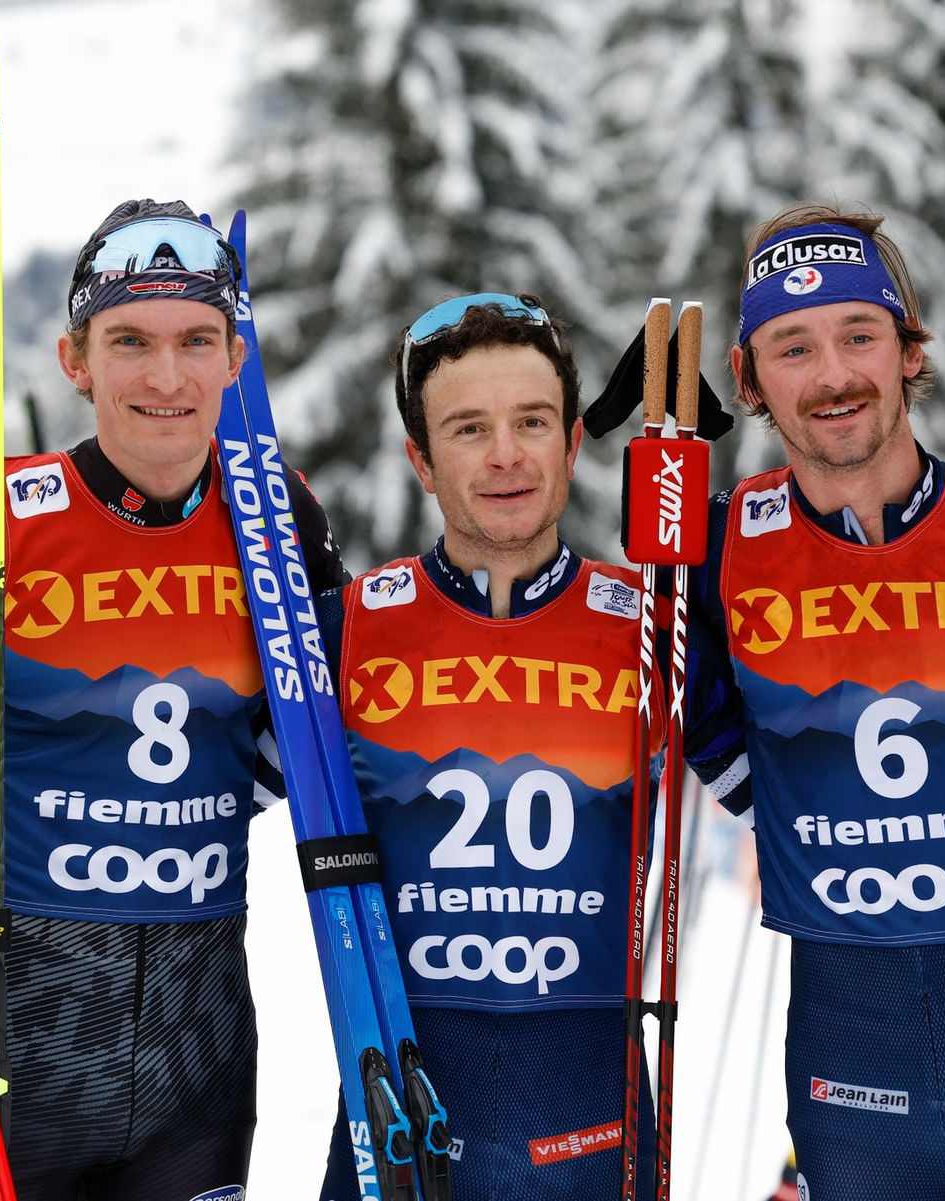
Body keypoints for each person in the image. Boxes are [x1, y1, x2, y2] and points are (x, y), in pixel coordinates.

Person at [685, 202, 945, 1200]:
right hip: (850, 1071)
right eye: (793, 347)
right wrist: (787, 812)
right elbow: (689, 716)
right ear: (750, 378)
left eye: (860, 335)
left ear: (909, 351)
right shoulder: (719, 556)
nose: (833, 375)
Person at [0, 199, 347, 1199]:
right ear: (75, 360)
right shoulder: (2, 518)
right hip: (17, 1035)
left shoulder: (278, 514)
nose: (166, 376)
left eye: (197, 340)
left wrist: (210, 798)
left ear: (235, 359)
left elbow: (311, 726)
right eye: (130, 341)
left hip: (199, 1053)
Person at [317, 294, 665, 1199]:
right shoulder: (345, 631)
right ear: (421, 461)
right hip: (399, 1126)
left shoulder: (652, 629)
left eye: (532, 422)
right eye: (469, 428)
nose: (506, 454)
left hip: (599, 1131)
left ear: (573, 443)